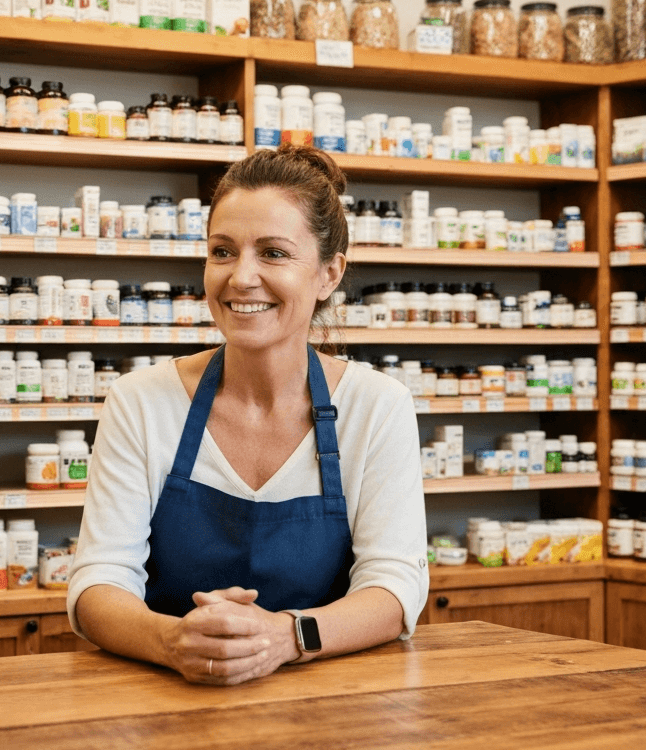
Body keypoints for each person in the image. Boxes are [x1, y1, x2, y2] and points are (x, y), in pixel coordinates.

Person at [68, 146, 429, 686]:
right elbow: (98, 582)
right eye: (222, 251)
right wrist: (172, 641)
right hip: (167, 695)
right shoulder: (141, 401)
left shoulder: (377, 406)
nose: (241, 277)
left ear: (329, 274)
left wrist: (283, 637)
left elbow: (395, 588)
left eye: (274, 253)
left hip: (332, 700)